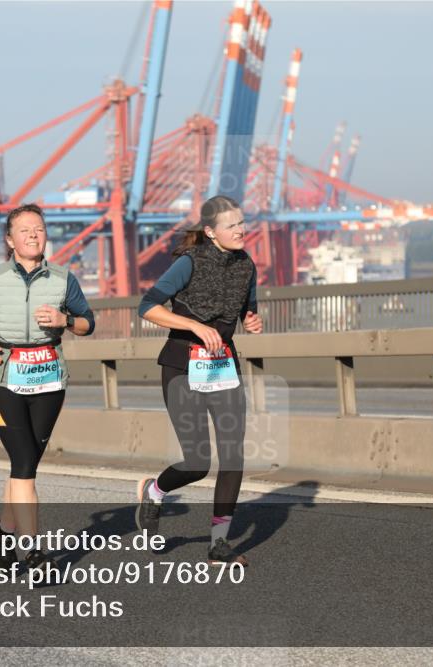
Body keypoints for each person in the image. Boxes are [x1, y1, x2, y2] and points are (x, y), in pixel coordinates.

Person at [0, 203, 95, 572]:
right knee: (23, 462)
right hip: (2, 378)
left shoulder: (63, 279)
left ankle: (3, 533)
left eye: (39, 229)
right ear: (10, 240)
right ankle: (34, 550)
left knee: (26, 464)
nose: (34, 235)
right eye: (25, 230)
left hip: (49, 378)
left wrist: (65, 320)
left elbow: (88, 323)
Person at [134, 195, 263, 566]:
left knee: (233, 456)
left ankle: (219, 543)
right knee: (197, 462)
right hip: (181, 367)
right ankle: (155, 492)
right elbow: (147, 307)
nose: (240, 230)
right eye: (231, 225)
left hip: (222, 367)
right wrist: (193, 325)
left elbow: (246, 311)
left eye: (241, 223)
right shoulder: (189, 263)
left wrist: (252, 320)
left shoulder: (246, 266)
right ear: (210, 232)